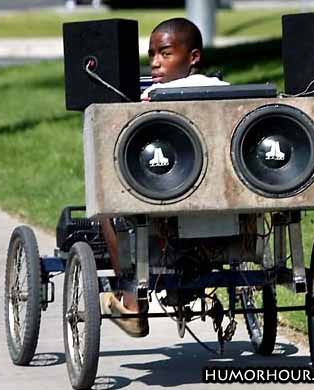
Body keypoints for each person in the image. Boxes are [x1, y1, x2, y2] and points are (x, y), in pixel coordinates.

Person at [101, 17, 229, 338]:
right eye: (152, 56)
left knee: (106, 208)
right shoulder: (228, 92)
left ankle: (131, 300)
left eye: (165, 53)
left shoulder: (151, 97)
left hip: (165, 191)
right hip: (223, 195)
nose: (155, 63)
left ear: (194, 57)